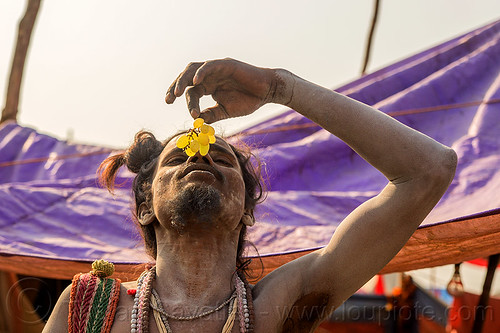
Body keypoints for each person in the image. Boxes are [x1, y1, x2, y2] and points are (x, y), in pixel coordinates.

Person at [43, 58, 457, 333]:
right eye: (178, 159)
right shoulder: (89, 308)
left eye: (221, 160)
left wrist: (281, 87)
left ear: (246, 210)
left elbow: (429, 169)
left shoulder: (283, 304)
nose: (199, 157)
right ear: (145, 207)